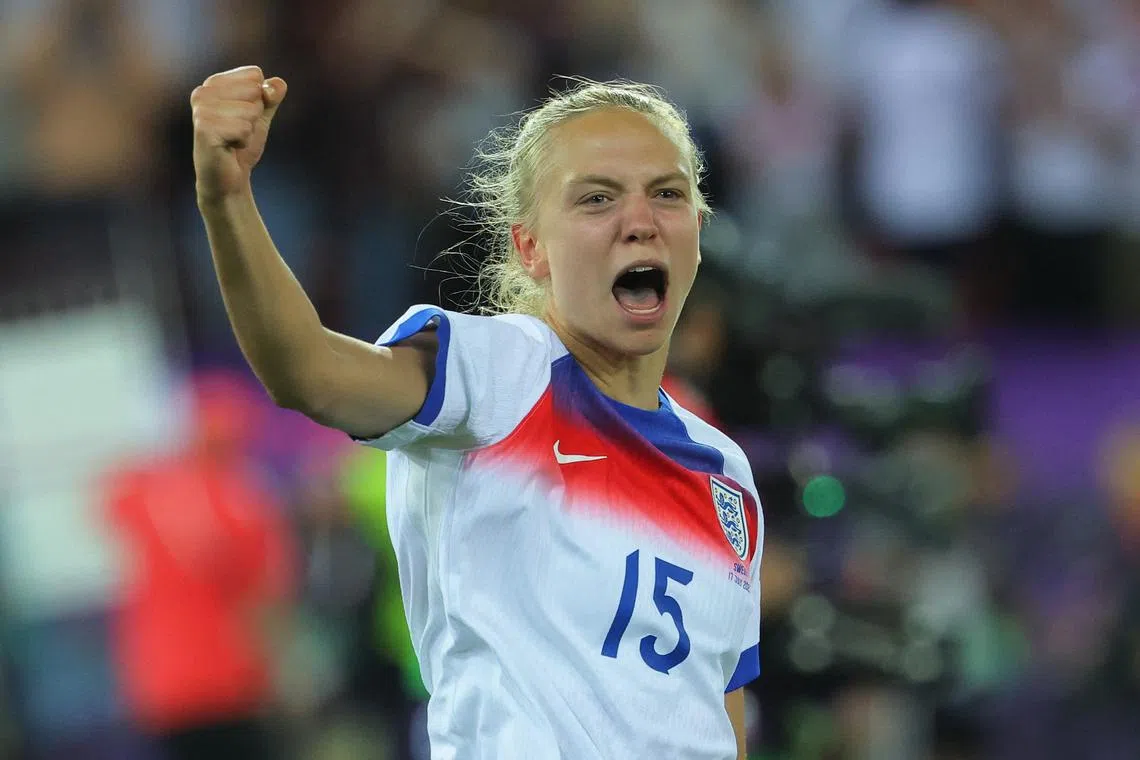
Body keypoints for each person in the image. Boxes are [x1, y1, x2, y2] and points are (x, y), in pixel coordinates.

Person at [190, 65, 764, 759]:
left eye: (667, 194)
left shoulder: (725, 474)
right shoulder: (501, 374)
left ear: (697, 230)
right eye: (597, 199)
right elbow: (309, 372)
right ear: (531, 248)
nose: (639, 223)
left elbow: (717, 713)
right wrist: (227, 199)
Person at [102, 370, 295, 760]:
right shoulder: (249, 503)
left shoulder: (146, 489)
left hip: (164, 684)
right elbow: (266, 603)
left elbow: (111, 502)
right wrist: (281, 674)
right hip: (232, 682)